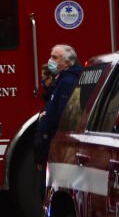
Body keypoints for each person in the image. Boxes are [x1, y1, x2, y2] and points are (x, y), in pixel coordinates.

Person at [32, 43, 82, 174]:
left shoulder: (67, 82)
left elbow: (63, 116)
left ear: (67, 63)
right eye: (51, 56)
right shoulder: (62, 80)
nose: (50, 61)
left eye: (55, 57)